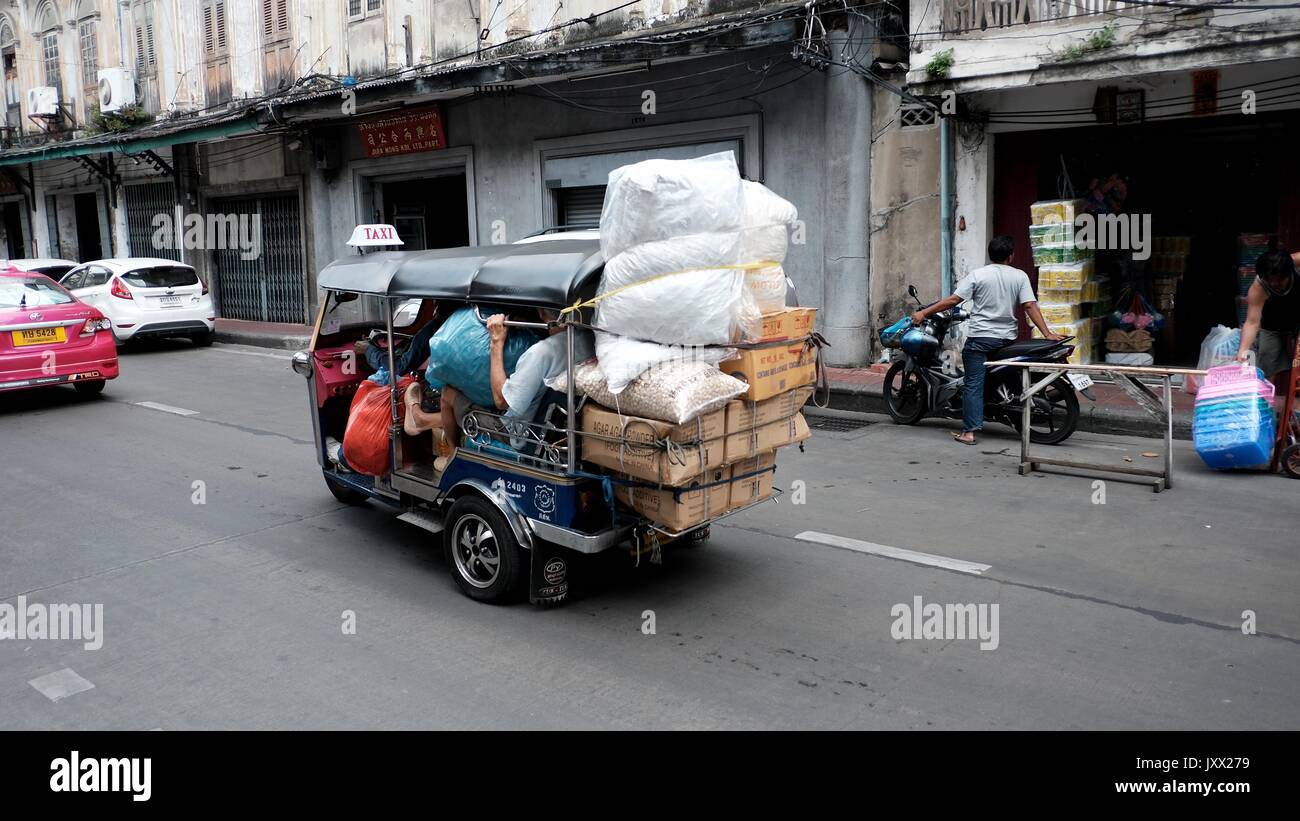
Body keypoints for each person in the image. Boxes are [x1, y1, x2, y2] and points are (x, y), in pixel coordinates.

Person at [909, 235, 1064, 445]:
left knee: (973, 384)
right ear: (1011, 256)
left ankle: (969, 432)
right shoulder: (1020, 276)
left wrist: (924, 313)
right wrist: (1047, 334)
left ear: (990, 255)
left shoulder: (978, 275)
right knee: (1000, 376)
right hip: (1007, 340)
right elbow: (1030, 306)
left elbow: (954, 300)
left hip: (980, 340)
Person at [439, 309, 594, 458]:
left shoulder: (540, 353)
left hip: (519, 435)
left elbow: (501, 401)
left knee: (448, 393)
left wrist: (496, 342)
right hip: (558, 429)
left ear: (541, 313)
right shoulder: (590, 339)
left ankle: (452, 455)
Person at [1236, 249, 1300, 389]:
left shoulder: (1294, 263)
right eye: (1269, 280)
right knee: (1266, 363)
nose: (1274, 284)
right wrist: (1243, 350)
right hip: (1273, 323)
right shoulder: (1258, 287)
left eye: (1279, 280)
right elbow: (1252, 322)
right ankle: (1265, 402)